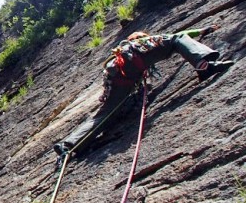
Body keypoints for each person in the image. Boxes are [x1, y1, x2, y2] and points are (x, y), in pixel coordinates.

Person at [53, 25, 234, 166]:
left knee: (106, 112)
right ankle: (203, 65)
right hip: (134, 58)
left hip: (120, 74)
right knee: (177, 39)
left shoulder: (123, 51)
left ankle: (69, 145)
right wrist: (202, 31)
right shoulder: (142, 42)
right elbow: (177, 36)